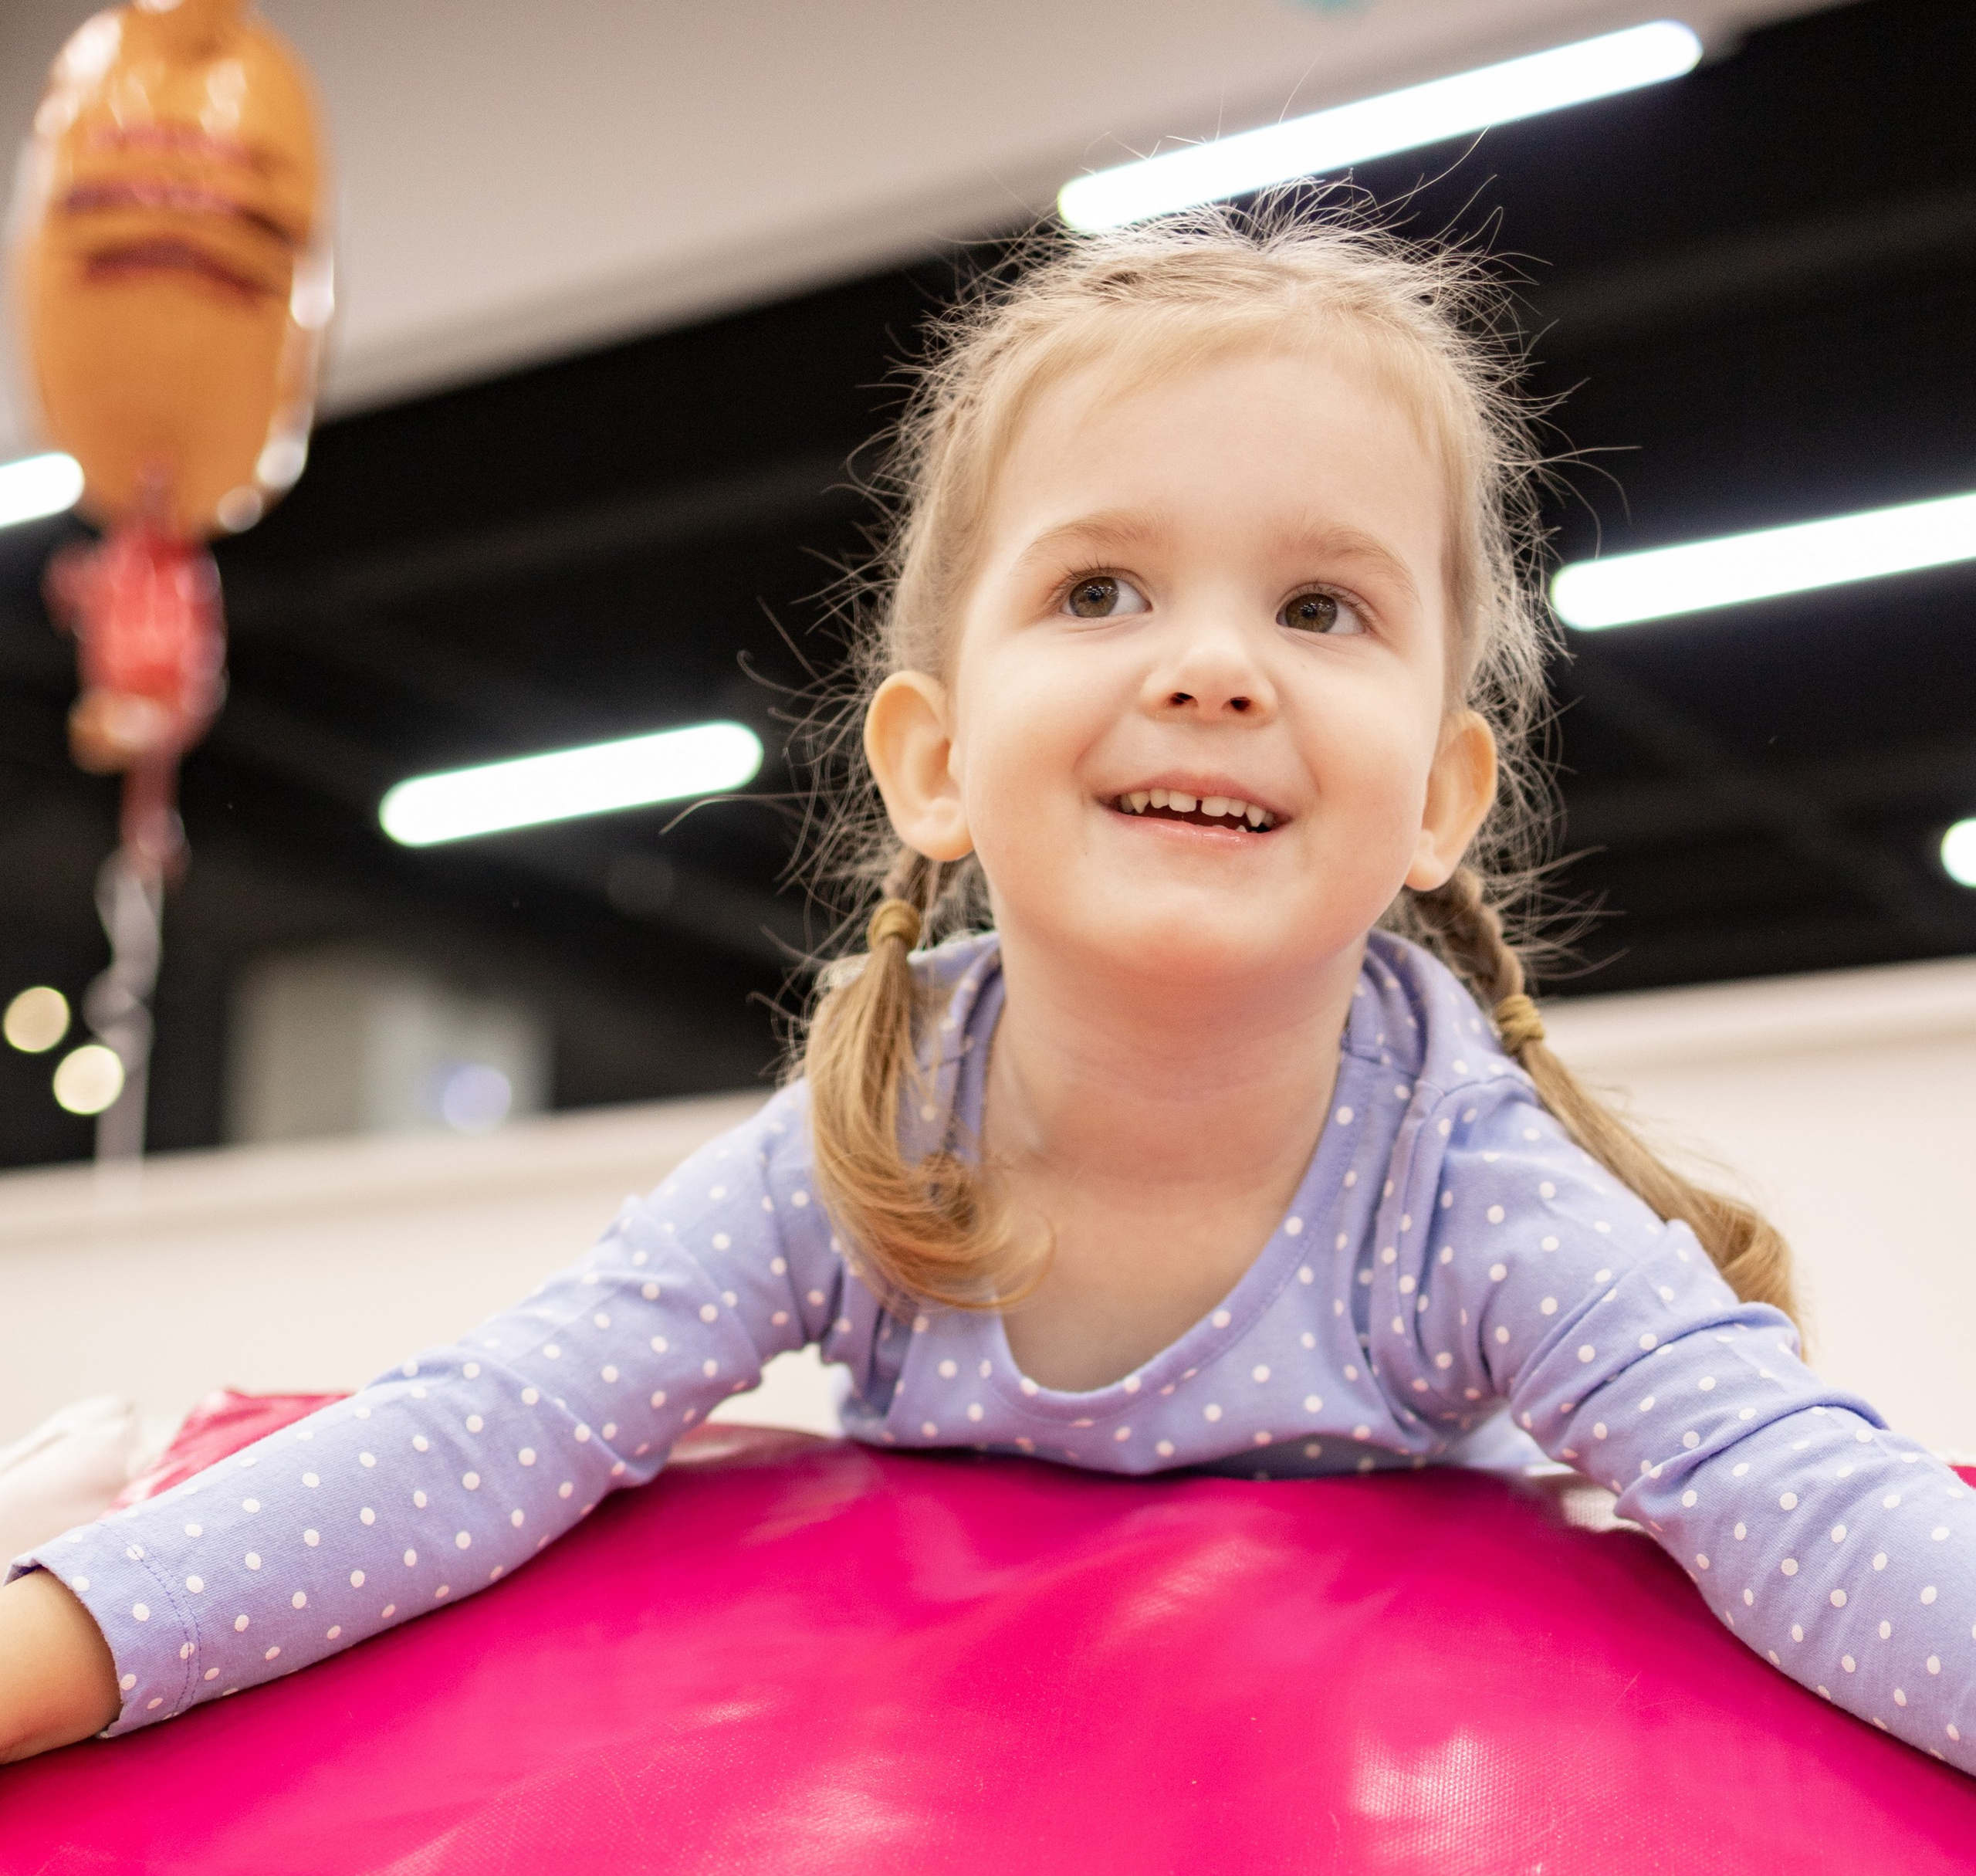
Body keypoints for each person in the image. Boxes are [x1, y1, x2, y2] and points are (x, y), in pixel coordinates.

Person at [4, 213, 1971, 1774]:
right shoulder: (877, 1137)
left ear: (1440, 796)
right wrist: (66, 1640)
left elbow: (1790, 1500)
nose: (1210, 667)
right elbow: (488, 1431)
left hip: (1316, 1852)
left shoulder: (1465, 1188)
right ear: (930, 757)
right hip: (961, 1834)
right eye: (1098, 590)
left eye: (1320, 608)